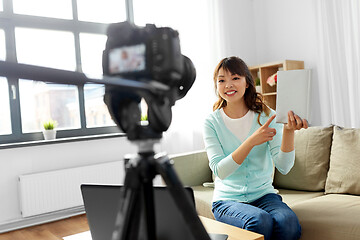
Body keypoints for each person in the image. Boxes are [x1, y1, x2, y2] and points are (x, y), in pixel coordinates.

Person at [203, 56, 308, 240]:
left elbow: (284, 166)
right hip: (227, 200)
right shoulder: (211, 123)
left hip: (264, 195)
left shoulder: (267, 115)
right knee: (259, 221)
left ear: (247, 82)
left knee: (288, 224)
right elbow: (220, 170)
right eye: (222, 80)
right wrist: (251, 141)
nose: (228, 84)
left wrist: (289, 132)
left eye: (235, 78)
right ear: (216, 86)